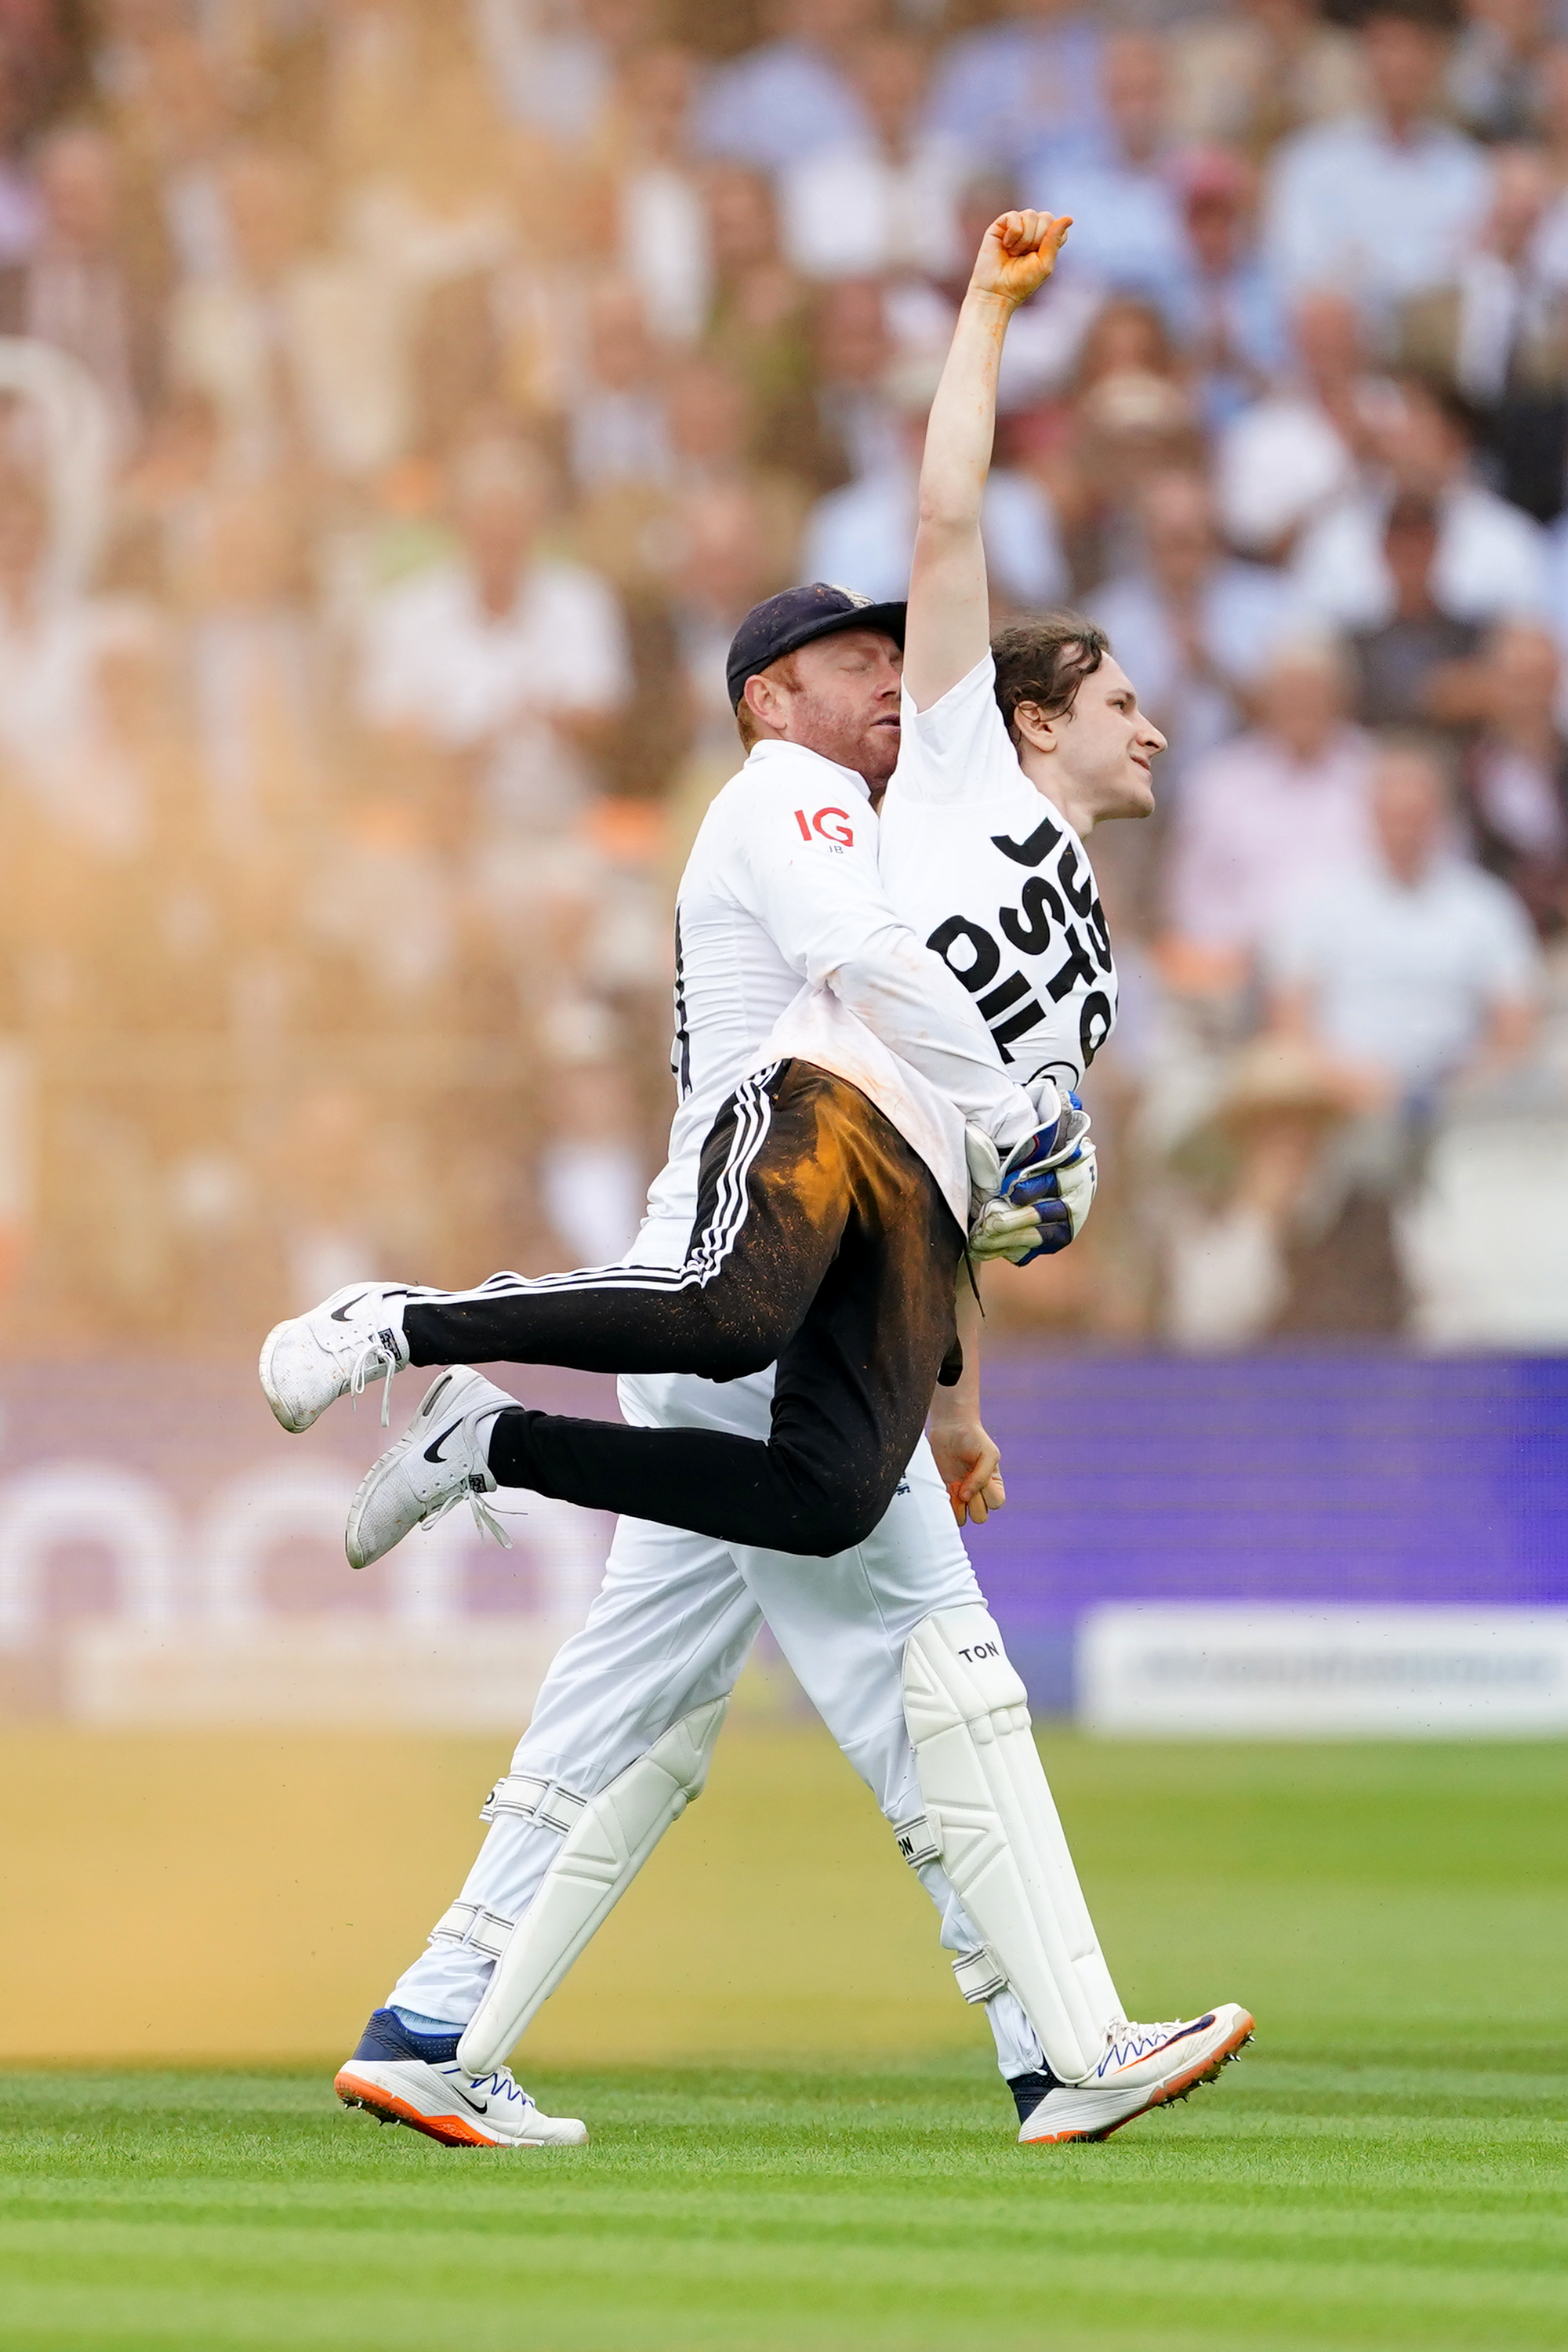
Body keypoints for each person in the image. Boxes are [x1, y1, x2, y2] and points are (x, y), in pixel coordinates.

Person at [325, 208, 1248, 2158]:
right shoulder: (924, 784)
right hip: (775, 1240)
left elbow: (977, 1187)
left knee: (642, 1709)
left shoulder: (1077, 934)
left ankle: (433, 2022)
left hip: (856, 1264)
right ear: (1026, 722)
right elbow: (945, 517)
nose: (1154, 723)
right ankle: (1064, 2047)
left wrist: (959, 1387)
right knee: (941, 1671)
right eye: (1119, 698)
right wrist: (985, 313)